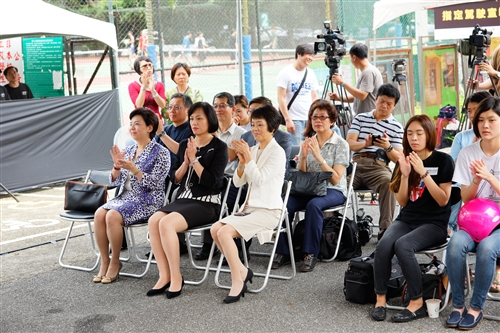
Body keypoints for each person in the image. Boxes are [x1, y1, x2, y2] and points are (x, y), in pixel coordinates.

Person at [371, 114, 454, 323]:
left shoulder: (443, 160)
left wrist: (423, 173)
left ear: (429, 134)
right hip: (408, 219)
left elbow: (444, 200)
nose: (414, 138)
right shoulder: (404, 159)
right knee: (383, 245)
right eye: (409, 134)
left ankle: (416, 301)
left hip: (434, 223)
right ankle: (380, 299)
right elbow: (403, 202)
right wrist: (406, 174)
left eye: (419, 133)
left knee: (403, 246)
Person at [147, 102, 227, 298]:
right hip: (184, 198)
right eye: (192, 118)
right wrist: (185, 162)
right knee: (153, 221)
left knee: (166, 223)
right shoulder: (186, 143)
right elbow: (175, 178)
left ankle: (176, 277)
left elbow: (212, 182)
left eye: (199, 118)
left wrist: (195, 160)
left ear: (210, 120)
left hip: (207, 202)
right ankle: (163, 275)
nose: (194, 122)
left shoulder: (219, 147)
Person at [210, 104, 286, 303]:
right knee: (215, 229)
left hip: (269, 210)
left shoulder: (277, 152)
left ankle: (237, 280)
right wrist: (243, 162)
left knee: (224, 232)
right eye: (253, 124)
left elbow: (260, 180)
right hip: (250, 208)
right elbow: (237, 182)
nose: (255, 129)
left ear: (273, 127)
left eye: (260, 125)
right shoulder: (252, 149)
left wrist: (248, 159)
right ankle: (243, 271)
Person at [93, 108, 170, 284]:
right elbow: (114, 182)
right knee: (99, 214)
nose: (132, 128)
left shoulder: (161, 152)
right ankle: (104, 261)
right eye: (131, 124)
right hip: (125, 198)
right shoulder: (128, 150)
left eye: (137, 124)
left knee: (112, 215)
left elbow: (156, 184)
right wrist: (117, 166)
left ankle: (115, 262)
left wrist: (134, 170)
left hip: (148, 201)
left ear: (150, 127)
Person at [272, 100, 349, 272]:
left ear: (332, 120)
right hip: (309, 188)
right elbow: (302, 172)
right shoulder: (308, 141)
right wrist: (305, 156)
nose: (318, 120)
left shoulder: (341, 144)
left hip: (333, 190)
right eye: (314, 117)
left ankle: (310, 253)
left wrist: (318, 156)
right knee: (284, 203)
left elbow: (336, 179)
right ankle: (283, 250)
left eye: (323, 117)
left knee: (314, 205)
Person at [446, 96, 500, 330]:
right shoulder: (468, 153)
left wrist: (490, 177)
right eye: (481, 120)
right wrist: (477, 180)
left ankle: (476, 307)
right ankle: (458, 305)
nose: (485, 125)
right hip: (475, 220)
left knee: (488, 248)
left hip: (498, 224)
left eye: (492, 120)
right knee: (455, 243)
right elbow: (466, 198)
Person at [346, 83, 404, 239]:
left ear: (394, 106)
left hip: (378, 166)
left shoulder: (396, 127)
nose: (384, 106)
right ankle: (334, 229)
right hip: (355, 165)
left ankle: (385, 230)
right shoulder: (360, 118)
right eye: (381, 101)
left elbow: (398, 157)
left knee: (389, 183)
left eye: (389, 104)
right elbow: (349, 143)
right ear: (375, 99)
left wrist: (388, 147)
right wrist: (365, 144)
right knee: (336, 185)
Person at [193, 92, 246, 260]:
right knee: (201, 194)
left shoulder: (241, 133)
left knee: (221, 200)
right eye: (215, 106)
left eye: (222, 105)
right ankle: (208, 244)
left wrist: (214, 138)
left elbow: (229, 157)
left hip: (232, 181)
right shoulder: (207, 132)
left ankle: (236, 250)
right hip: (212, 177)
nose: (218, 109)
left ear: (233, 109)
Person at [448, 91, 491, 232]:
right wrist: (471, 150)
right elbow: (452, 167)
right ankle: (450, 228)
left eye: (476, 109)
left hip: (491, 184)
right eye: (469, 111)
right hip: (464, 184)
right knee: (455, 191)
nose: (472, 115)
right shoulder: (461, 137)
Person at [277, 43, 319, 145]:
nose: (310, 58)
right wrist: (288, 119)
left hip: (309, 118)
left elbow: (314, 96)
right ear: (299, 54)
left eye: (312, 55)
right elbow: (280, 98)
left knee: (311, 148)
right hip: (294, 119)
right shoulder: (285, 73)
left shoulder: (311, 73)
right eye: (308, 55)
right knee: (295, 150)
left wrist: (316, 115)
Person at [329, 43, 383, 115]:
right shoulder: (367, 71)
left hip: (370, 119)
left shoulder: (368, 72)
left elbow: (362, 96)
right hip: (365, 118)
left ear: (354, 57)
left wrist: (342, 83)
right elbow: (357, 97)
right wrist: (338, 98)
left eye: (350, 58)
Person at [156, 93, 194, 176]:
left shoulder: (192, 130)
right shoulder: (165, 129)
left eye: (176, 107)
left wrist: (162, 134)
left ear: (188, 110)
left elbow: (184, 152)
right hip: (157, 174)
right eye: (170, 107)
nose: (172, 111)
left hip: (175, 177)